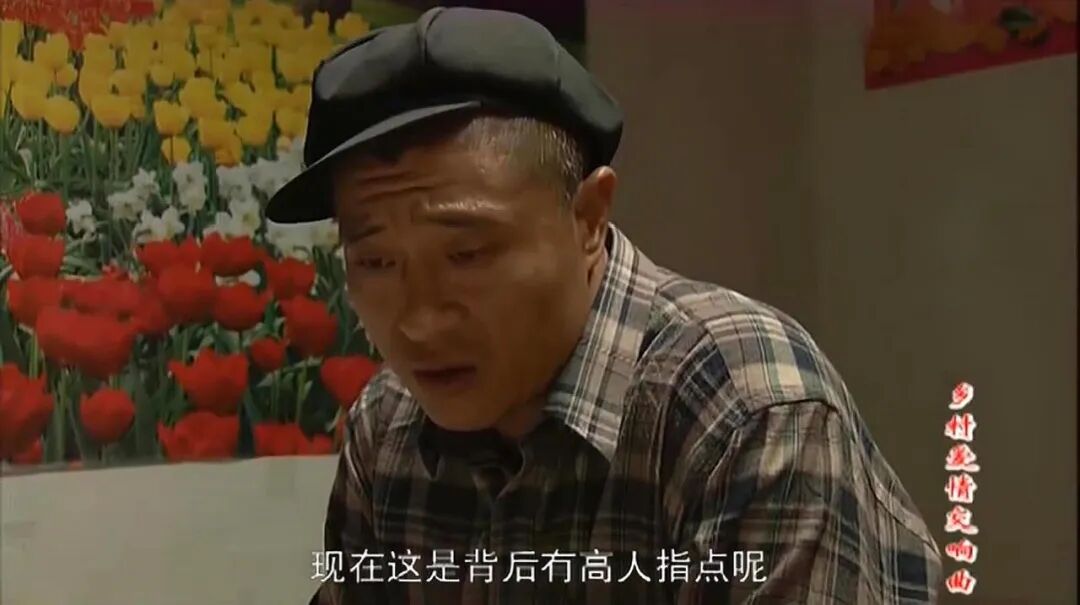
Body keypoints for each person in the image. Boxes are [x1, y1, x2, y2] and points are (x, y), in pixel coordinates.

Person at [267, 7, 942, 604]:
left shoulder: (749, 410)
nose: (418, 321)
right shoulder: (388, 426)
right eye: (377, 263)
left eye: (466, 254)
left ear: (588, 218)